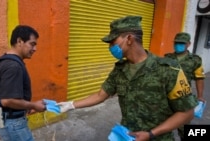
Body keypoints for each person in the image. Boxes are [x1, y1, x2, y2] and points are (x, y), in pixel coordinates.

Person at [58, 16, 198, 141]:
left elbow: (186, 113)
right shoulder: (120, 69)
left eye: (113, 42)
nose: (110, 47)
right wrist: (71, 105)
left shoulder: (168, 69)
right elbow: (101, 95)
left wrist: (151, 134)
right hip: (127, 135)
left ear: (129, 39)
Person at [0, 25, 46, 141]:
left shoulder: (5, 60)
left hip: (5, 119)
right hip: (13, 124)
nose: (35, 48)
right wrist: (33, 105)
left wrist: (25, 107)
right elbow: (7, 100)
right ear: (19, 41)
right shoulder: (13, 66)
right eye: (32, 44)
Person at [164, 32, 205, 141]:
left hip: (184, 98)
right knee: (163, 125)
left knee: (184, 127)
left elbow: (199, 78)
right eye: (176, 43)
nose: (178, 45)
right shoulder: (167, 57)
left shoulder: (195, 60)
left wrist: (200, 96)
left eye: (182, 43)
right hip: (166, 97)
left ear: (188, 44)